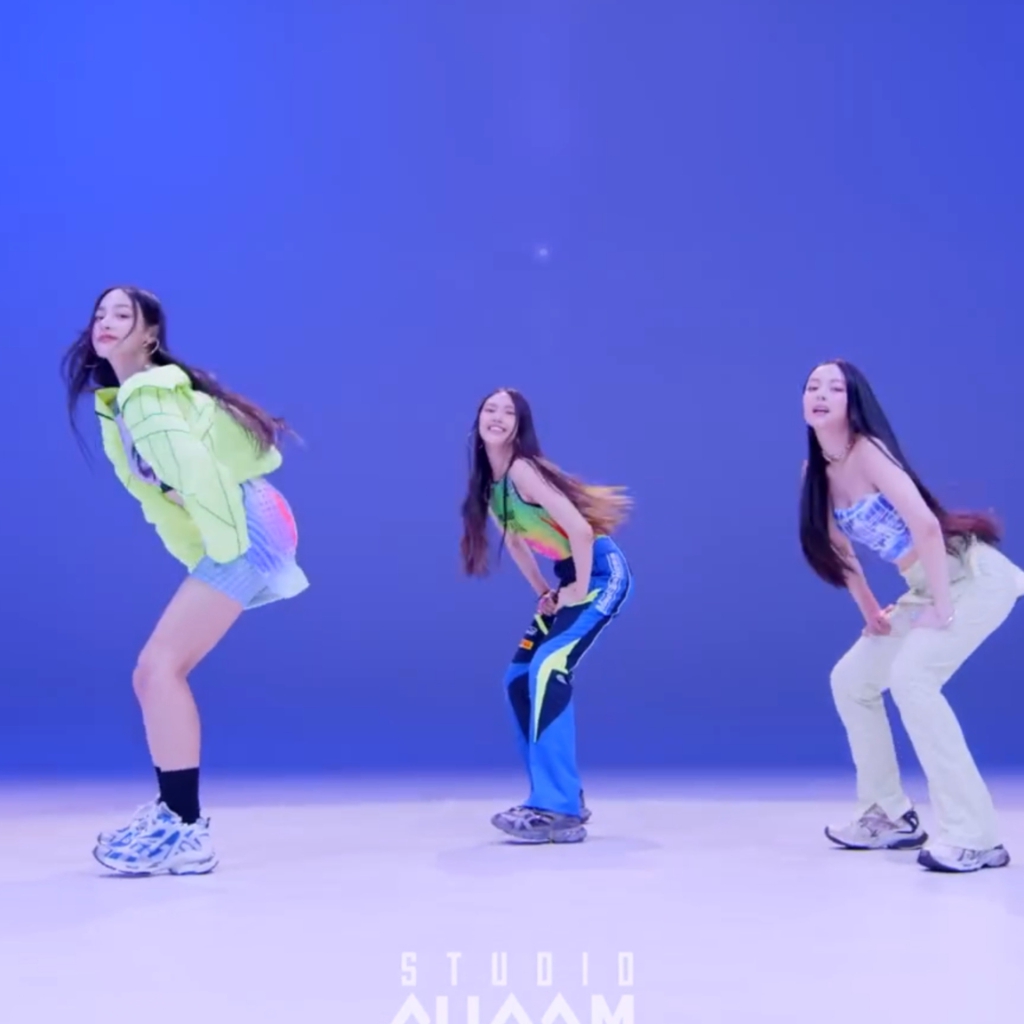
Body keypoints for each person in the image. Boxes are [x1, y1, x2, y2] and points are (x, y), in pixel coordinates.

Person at [61, 286, 308, 876]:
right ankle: (177, 814)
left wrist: (224, 551)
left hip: (245, 529)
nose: (105, 322)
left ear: (150, 334)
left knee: (157, 668)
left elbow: (197, 475)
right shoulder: (130, 398)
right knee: (156, 671)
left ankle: (185, 827)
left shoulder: (145, 397)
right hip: (249, 522)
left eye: (123, 314)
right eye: (100, 314)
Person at [800, 358, 1021, 872]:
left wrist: (942, 607)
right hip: (926, 585)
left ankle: (975, 836)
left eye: (835, 388)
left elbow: (925, 525)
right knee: (851, 680)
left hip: (972, 577)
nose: (821, 394)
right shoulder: (817, 473)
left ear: (854, 402)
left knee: (912, 679)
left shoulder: (869, 452)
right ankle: (889, 814)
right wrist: (871, 611)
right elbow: (840, 550)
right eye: (812, 386)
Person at [460, 388, 633, 843]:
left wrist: (578, 588)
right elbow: (517, 543)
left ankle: (557, 807)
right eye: (490, 409)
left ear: (520, 426)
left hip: (602, 573)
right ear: (478, 420)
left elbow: (580, 529)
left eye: (508, 412)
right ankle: (558, 795)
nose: (497, 417)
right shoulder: (492, 487)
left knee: (549, 666)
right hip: (570, 576)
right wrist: (544, 591)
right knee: (518, 679)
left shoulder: (523, 470)